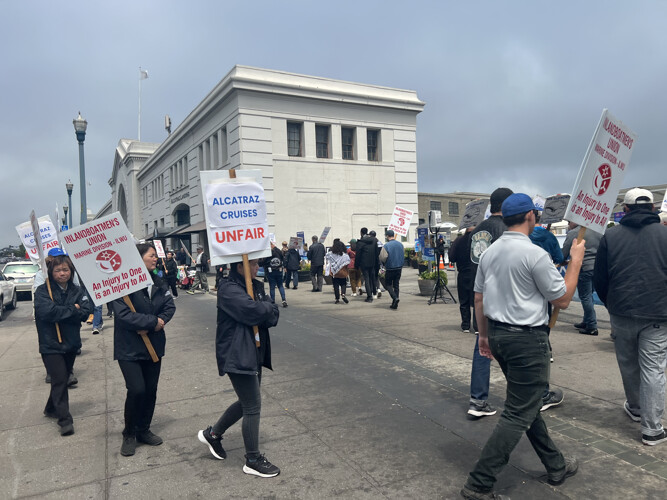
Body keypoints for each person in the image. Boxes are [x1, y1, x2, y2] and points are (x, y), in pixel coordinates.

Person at [461, 193, 584, 500]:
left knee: (525, 405)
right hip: (527, 340)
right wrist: (576, 262)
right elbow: (563, 299)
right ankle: (479, 483)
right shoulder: (534, 254)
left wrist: (485, 338)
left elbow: (479, 298)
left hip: (499, 335)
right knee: (518, 413)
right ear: (531, 216)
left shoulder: (490, 253)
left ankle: (556, 465)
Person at [594, 188, 667, 446]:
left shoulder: (611, 236)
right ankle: (652, 429)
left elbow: (600, 278)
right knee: (654, 368)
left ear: (625, 210)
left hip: (621, 311)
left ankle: (636, 407)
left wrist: (611, 303)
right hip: (658, 313)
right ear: (653, 208)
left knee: (628, 363)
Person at [197, 258, 281, 477]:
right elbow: (252, 312)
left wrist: (263, 309)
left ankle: (212, 434)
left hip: (255, 352)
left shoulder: (257, 286)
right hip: (237, 353)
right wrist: (263, 309)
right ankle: (252, 459)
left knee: (247, 402)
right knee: (253, 405)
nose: (256, 268)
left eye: (256, 264)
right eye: (252, 264)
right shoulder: (228, 289)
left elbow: (273, 314)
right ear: (239, 266)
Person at [111, 243, 176, 456]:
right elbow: (123, 316)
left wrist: (160, 321)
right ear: (138, 258)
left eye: (155, 255)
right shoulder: (121, 285)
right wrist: (151, 322)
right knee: (137, 389)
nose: (155, 258)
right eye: (151, 255)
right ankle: (129, 433)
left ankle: (143, 430)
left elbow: (169, 307)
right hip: (129, 347)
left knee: (150, 390)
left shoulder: (158, 281)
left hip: (154, 345)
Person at [466, 187, 513, 418]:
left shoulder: (477, 230)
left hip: (479, 295)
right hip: (503, 298)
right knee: (517, 349)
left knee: (482, 348)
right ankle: (534, 395)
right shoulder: (507, 230)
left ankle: (478, 399)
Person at [34, 249, 92, 436]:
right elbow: (47, 313)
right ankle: (65, 420)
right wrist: (72, 309)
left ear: (71, 271)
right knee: (60, 379)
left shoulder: (78, 290)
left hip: (71, 342)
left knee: (62, 376)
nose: (62, 273)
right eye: (58, 270)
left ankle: (51, 407)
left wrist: (67, 311)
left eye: (65, 269)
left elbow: (86, 311)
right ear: (51, 272)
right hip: (50, 344)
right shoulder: (43, 291)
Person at [562, 221, 602, 335]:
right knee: (590, 296)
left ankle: (592, 326)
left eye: (569, 221)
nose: (568, 224)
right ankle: (587, 320)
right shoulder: (598, 231)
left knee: (585, 296)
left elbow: (564, 253)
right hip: (597, 268)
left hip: (583, 267)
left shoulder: (574, 233)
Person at [449, 226, 475, 332]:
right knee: (477, 300)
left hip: (463, 273)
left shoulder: (458, 241)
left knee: (464, 301)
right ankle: (477, 327)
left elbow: (451, 257)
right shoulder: (478, 240)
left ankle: (465, 325)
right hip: (476, 274)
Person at [381, 230, 404, 309]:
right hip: (399, 267)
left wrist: (383, 264)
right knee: (396, 284)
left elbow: (383, 257)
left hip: (390, 267)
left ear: (387, 236)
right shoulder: (400, 244)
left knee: (388, 284)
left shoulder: (386, 246)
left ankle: (395, 298)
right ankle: (395, 303)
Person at [262, 241, 288, 307]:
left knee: (272, 287)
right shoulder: (278, 251)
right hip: (279, 270)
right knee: (280, 286)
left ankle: (273, 301)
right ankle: (284, 300)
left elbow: (263, 261)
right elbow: (283, 258)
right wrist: (284, 266)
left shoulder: (268, 252)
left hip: (271, 271)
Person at [355, 228, 378, 302]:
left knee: (367, 279)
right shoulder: (374, 241)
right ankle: (374, 292)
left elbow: (358, 255)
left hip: (364, 263)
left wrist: (356, 265)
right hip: (372, 262)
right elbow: (376, 252)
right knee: (372, 278)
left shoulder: (360, 242)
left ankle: (369, 296)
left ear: (361, 233)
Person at [326, 239, 351, 304]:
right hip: (342, 271)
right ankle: (343, 294)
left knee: (335, 285)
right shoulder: (344, 255)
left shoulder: (331, 254)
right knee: (343, 284)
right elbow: (348, 262)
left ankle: (337, 299)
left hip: (334, 271)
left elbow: (327, 259)